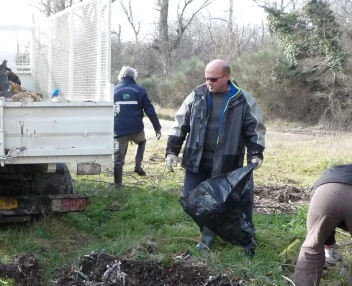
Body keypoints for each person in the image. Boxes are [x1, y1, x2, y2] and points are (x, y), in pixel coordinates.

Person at [165, 59, 266, 251]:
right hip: (196, 161)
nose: (208, 82)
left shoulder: (243, 100)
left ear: (227, 77)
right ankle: (208, 234)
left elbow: (256, 129)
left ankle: (227, 238)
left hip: (227, 164)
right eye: (205, 78)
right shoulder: (197, 95)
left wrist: (256, 153)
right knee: (193, 201)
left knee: (229, 204)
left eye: (213, 78)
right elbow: (180, 123)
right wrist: (172, 150)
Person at [113, 66, 162, 187]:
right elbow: (150, 110)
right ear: (133, 77)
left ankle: (118, 185)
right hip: (136, 129)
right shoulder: (140, 90)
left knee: (118, 159)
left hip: (118, 130)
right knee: (141, 142)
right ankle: (138, 165)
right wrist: (157, 127)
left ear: (120, 77)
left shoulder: (113, 91)